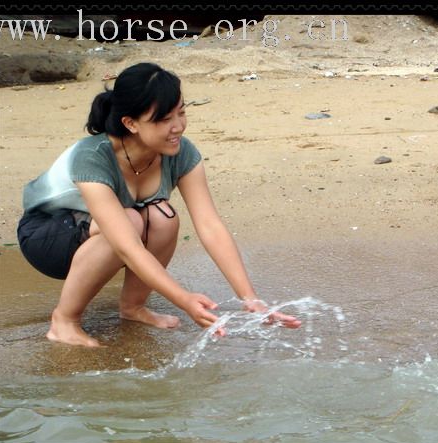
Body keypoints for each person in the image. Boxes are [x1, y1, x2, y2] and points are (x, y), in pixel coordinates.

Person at [17, 62, 301, 347]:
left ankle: (133, 307)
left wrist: (250, 299)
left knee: (164, 216)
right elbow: (126, 245)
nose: (177, 126)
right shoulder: (93, 156)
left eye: (181, 112)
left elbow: (210, 226)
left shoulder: (180, 152)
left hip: (106, 233)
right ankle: (64, 321)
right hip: (47, 237)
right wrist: (183, 299)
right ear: (131, 123)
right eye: (163, 119)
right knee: (131, 221)